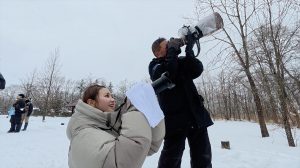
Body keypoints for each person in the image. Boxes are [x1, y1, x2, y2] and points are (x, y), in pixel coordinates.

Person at [148, 36, 214, 168]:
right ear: (157, 52)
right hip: (175, 122)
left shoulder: (179, 61)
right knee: (171, 160)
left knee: (203, 157)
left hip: (195, 116)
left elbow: (197, 69)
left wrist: (189, 49)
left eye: (170, 45)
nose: (171, 46)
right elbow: (169, 74)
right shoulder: (155, 66)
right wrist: (172, 51)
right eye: (167, 46)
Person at [66, 84, 165, 168]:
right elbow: (123, 161)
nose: (112, 99)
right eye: (107, 96)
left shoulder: (107, 127)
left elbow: (149, 147)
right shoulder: (83, 133)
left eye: (112, 96)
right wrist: (134, 107)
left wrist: (152, 111)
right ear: (91, 102)